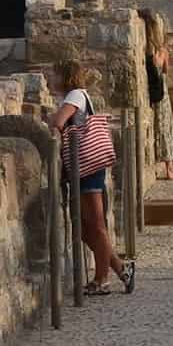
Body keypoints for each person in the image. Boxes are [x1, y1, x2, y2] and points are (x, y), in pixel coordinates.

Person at [48, 64, 133, 294]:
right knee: (84, 228)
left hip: (87, 168)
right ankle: (121, 268)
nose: (51, 77)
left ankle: (102, 280)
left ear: (65, 76)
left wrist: (52, 121)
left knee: (96, 226)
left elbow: (58, 122)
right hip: (83, 169)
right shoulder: (74, 96)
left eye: (54, 73)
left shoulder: (75, 95)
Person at [144, 20, 173, 184]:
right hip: (161, 93)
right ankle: (169, 167)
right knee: (164, 128)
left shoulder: (148, 52)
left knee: (158, 127)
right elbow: (165, 70)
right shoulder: (162, 51)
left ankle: (164, 165)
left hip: (152, 94)